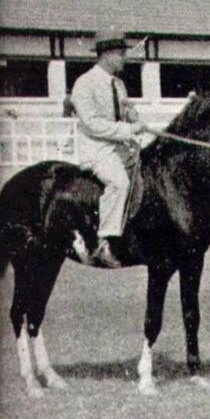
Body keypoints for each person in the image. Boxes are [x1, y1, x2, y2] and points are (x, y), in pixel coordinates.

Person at [70, 30, 148, 267]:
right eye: (122, 54)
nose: (125, 58)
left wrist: (131, 117)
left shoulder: (119, 84)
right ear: (107, 55)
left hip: (119, 146)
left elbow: (121, 114)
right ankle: (103, 242)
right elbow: (92, 125)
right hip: (97, 149)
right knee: (119, 183)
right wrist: (127, 130)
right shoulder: (84, 84)